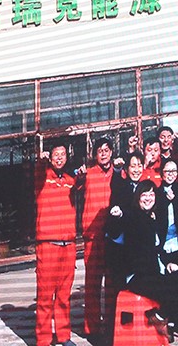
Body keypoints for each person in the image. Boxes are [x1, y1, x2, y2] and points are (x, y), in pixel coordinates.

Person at [107, 180, 178, 343]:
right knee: (172, 288)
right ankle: (162, 319)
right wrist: (117, 216)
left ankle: (162, 318)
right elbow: (115, 229)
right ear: (137, 197)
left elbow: (157, 249)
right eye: (144, 194)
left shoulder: (153, 218)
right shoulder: (134, 216)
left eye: (151, 194)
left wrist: (168, 263)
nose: (148, 198)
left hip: (152, 273)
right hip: (136, 276)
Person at [34, 141, 77, 346]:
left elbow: (84, 183)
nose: (59, 158)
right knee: (44, 296)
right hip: (47, 245)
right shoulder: (42, 178)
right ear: (50, 158)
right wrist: (40, 161)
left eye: (62, 154)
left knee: (64, 295)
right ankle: (43, 339)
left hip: (68, 245)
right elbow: (38, 171)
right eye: (55, 155)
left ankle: (63, 336)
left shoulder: (70, 180)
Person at [75, 138, 114, 343]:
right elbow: (74, 184)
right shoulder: (88, 174)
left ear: (112, 152)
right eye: (100, 151)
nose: (104, 154)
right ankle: (92, 329)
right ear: (95, 155)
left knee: (112, 284)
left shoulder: (119, 173)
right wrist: (78, 174)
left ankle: (110, 326)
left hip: (113, 237)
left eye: (107, 150)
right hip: (92, 237)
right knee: (92, 284)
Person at [104, 151, 144, 340]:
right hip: (120, 248)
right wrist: (116, 169)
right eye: (133, 166)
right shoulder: (122, 185)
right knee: (119, 291)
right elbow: (115, 183)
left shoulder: (145, 187)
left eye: (139, 165)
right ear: (127, 169)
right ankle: (113, 335)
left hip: (138, 249)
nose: (136, 169)